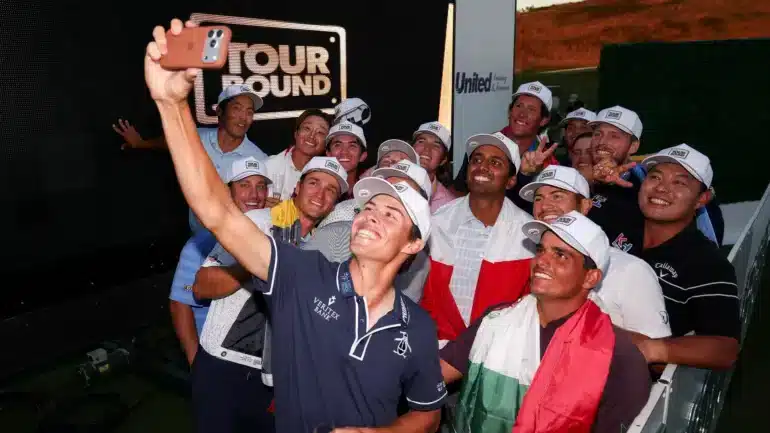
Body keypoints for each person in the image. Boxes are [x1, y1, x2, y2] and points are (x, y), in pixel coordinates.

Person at [144, 19, 446, 432]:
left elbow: (428, 414)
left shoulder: (419, 327)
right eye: (369, 206)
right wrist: (171, 105)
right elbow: (217, 211)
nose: (373, 214)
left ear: (413, 244)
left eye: (391, 213)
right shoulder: (304, 276)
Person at [440, 212, 651, 433]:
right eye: (541, 250)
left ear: (590, 277)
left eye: (561, 255)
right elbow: (436, 375)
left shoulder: (617, 356)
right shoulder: (497, 321)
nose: (541, 261)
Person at [601, 144, 740, 369]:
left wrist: (650, 348)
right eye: (655, 177)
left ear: (702, 199)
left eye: (679, 183)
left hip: (632, 378)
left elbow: (725, 349)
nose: (662, 188)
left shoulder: (707, 263)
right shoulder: (615, 222)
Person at [519, 165, 671, 339]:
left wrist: (593, 334)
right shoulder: (532, 260)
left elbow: (656, 349)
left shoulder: (631, 270)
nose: (545, 206)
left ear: (585, 205)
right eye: (538, 198)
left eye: (557, 196)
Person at [421, 132, 534, 345]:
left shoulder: (527, 234)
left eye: (495, 163)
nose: (482, 167)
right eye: (477, 160)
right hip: (438, 348)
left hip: (498, 351)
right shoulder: (437, 222)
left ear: (511, 180)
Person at [113, 84, 268, 232]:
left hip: (235, 239)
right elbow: (170, 142)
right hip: (197, 236)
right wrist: (141, 143)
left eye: (249, 112)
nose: (243, 118)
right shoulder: (195, 138)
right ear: (220, 111)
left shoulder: (259, 159)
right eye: (237, 108)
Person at [168, 156, 272, 367]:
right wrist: (196, 363)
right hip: (213, 357)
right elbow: (180, 304)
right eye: (244, 185)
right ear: (228, 192)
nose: (254, 195)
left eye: (260, 186)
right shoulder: (201, 244)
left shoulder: (272, 237)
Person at [302, 159, 434, 303]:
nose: (390, 195)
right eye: (387, 187)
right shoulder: (334, 234)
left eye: (403, 193)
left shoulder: (420, 265)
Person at [265, 109, 331, 202]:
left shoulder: (330, 177)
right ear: (296, 133)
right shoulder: (267, 167)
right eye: (307, 128)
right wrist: (261, 205)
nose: (311, 136)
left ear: (327, 143)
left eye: (320, 132)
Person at [412, 121, 457, 213]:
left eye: (436, 145)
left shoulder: (449, 205)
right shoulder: (390, 182)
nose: (427, 149)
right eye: (421, 141)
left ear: (443, 160)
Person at [325, 121, 368, 201]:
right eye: (337, 145)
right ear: (328, 154)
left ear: (362, 156)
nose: (344, 152)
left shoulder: (370, 190)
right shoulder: (316, 189)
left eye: (352, 146)